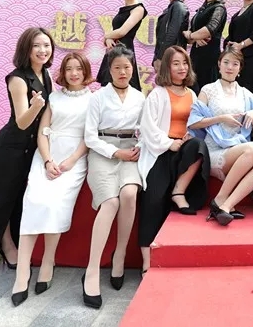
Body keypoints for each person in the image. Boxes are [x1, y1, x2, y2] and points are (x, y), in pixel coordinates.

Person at [11, 52, 93, 306]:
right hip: (46, 156)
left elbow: (89, 136)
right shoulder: (53, 98)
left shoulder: (94, 99)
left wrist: (71, 161)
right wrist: (47, 161)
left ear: (85, 71)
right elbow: (42, 133)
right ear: (63, 73)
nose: (74, 73)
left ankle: (48, 261)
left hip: (74, 160)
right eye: (69, 68)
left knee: (56, 204)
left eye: (78, 68)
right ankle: (22, 272)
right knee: (35, 201)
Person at [0, 27, 54, 272]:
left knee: (18, 198)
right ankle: (6, 246)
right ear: (26, 49)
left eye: (47, 45)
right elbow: (22, 122)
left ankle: (13, 242)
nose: (42, 50)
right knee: (2, 200)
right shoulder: (17, 79)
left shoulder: (45, 74)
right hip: (11, 148)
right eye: (36, 45)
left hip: (31, 148)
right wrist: (35, 106)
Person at [81, 46, 145, 309]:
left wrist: (138, 147)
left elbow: (145, 129)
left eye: (127, 67)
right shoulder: (97, 97)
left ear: (133, 69)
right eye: (117, 67)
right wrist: (115, 152)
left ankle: (119, 255)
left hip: (131, 152)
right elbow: (89, 137)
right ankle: (93, 269)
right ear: (109, 69)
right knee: (110, 202)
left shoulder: (141, 97)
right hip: (103, 152)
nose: (122, 72)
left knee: (129, 194)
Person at [137, 46, 210, 272]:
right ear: (167, 67)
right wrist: (170, 143)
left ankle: (179, 191)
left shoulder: (192, 94)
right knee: (153, 201)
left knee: (199, 146)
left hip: (183, 151)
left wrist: (189, 136)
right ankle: (147, 262)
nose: (181, 67)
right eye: (176, 63)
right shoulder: (157, 94)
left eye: (185, 63)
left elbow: (197, 125)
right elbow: (148, 128)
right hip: (160, 151)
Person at [188, 46, 253, 226]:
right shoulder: (208, 90)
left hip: (237, 150)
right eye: (226, 62)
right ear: (219, 64)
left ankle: (226, 205)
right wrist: (220, 118)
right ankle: (220, 199)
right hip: (214, 150)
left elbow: (252, 128)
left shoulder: (248, 95)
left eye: (235, 64)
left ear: (240, 68)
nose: (230, 67)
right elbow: (194, 122)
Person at [98, 0, 147, 90]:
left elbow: (122, 32)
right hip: (113, 50)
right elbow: (115, 31)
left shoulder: (138, 9)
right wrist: (108, 38)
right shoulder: (123, 9)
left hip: (125, 51)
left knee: (125, 88)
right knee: (108, 89)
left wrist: (106, 36)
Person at [184, 0, 227, 91]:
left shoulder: (219, 8)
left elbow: (210, 29)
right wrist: (193, 37)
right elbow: (188, 38)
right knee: (192, 91)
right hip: (195, 57)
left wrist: (192, 35)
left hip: (210, 58)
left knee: (207, 91)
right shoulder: (201, 9)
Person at [153, 0, 189, 74]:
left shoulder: (178, 6)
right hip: (168, 56)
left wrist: (161, 58)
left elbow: (172, 35)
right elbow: (161, 38)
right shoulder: (170, 8)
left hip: (173, 57)